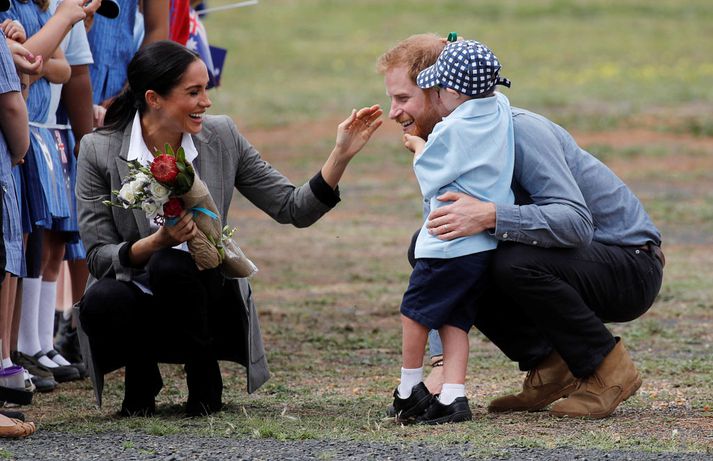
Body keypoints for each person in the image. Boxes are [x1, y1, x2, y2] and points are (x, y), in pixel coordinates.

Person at [75, 40, 382, 417]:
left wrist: (340, 155)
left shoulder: (221, 136)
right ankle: (141, 378)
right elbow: (97, 256)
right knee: (103, 300)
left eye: (206, 89)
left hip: (207, 291)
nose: (207, 101)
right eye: (194, 92)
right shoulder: (97, 149)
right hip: (135, 290)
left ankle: (204, 379)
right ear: (154, 98)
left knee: (171, 267)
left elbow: (292, 208)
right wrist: (156, 242)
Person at [377, 33, 664, 419]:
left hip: (629, 263)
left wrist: (490, 215)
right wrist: (441, 364)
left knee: (511, 261)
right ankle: (550, 366)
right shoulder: (456, 139)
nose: (393, 112)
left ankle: (608, 370)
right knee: (437, 245)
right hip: (573, 259)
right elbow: (439, 257)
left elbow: (576, 223)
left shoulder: (519, 130)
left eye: (403, 98)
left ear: (441, 90)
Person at [391, 39, 514, 425]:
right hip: (482, 246)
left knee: (415, 314)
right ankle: (454, 395)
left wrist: (418, 146)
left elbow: (431, 176)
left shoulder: (453, 129)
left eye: (439, 88)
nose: (437, 94)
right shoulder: (501, 109)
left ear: (454, 92)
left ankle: (409, 387)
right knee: (454, 320)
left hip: (447, 243)